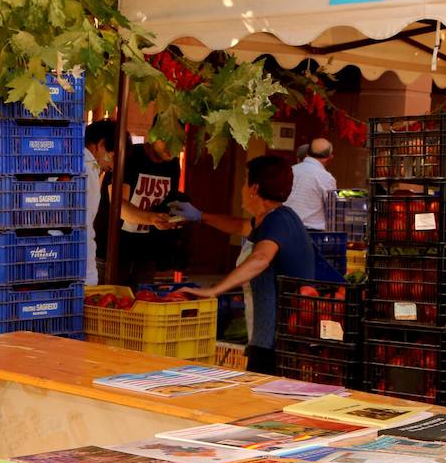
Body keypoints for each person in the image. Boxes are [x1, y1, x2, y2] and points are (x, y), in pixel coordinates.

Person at [182, 155, 314, 374]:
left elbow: (261, 258)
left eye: (245, 182)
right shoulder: (276, 218)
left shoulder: (277, 221)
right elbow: (240, 226)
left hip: (275, 342)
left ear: (254, 189)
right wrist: (200, 216)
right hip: (269, 337)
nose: (243, 189)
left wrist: (214, 290)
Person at [115, 138, 182, 285]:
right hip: (114, 246)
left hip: (147, 249)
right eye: (168, 139)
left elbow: (169, 202)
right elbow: (119, 206)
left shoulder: (173, 164)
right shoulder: (131, 155)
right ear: (154, 135)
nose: (174, 146)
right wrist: (153, 218)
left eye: (180, 142)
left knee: (143, 299)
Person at [83, 119, 118, 284]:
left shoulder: (73, 159)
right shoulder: (87, 168)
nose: (113, 166)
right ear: (101, 145)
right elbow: (85, 225)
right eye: (112, 157)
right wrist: (90, 275)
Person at [285, 137, 338, 230]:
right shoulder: (326, 178)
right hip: (311, 234)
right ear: (329, 158)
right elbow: (331, 210)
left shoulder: (290, 170)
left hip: (284, 227)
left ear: (307, 153)